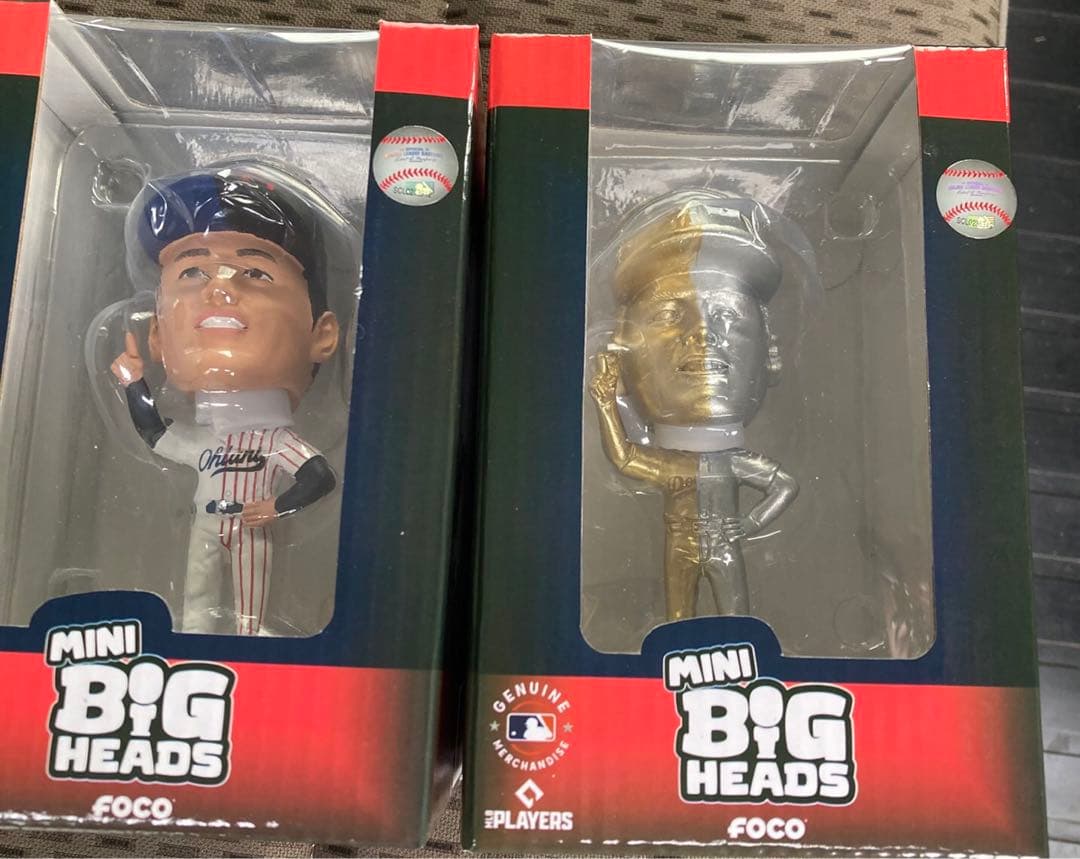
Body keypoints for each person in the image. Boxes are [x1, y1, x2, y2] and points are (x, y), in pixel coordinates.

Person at [111, 166, 340, 635]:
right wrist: (134, 383)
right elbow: (156, 434)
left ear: (322, 336)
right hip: (207, 522)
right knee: (196, 599)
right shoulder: (203, 440)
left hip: (251, 525)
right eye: (193, 272)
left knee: (250, 608)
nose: (219, 289)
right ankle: (195, 641)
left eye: (255, 272)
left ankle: (251, 646)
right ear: (158, 337)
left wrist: (277, 508)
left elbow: (319, 476)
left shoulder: (277, 441)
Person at [589, 193, 799, 621]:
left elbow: (785, 485)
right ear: (624, 353)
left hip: (724, 545)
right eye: (669, 314)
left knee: (736, 621)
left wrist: (751, 524)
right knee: (677, 621)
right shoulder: (673, 464)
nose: (703, 333)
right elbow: (624, 457)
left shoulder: (733, 463)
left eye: (727, 313)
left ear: (770, 350)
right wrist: (605, 401)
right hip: (680, 546)